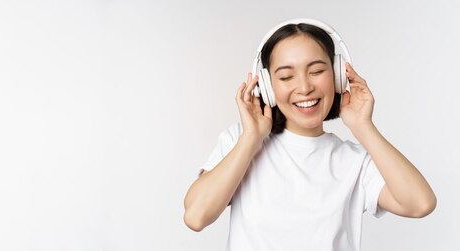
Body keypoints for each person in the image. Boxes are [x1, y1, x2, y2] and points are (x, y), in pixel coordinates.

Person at [183, 19, 437, 251]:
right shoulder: (241, 142)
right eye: (286, 76)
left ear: (338, 75)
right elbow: (196, 216)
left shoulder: (356, 161)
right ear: (267, 86)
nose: (304, 88)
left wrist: (363, 126)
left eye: (316, 71)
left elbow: (420, 204)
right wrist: (251, 138)